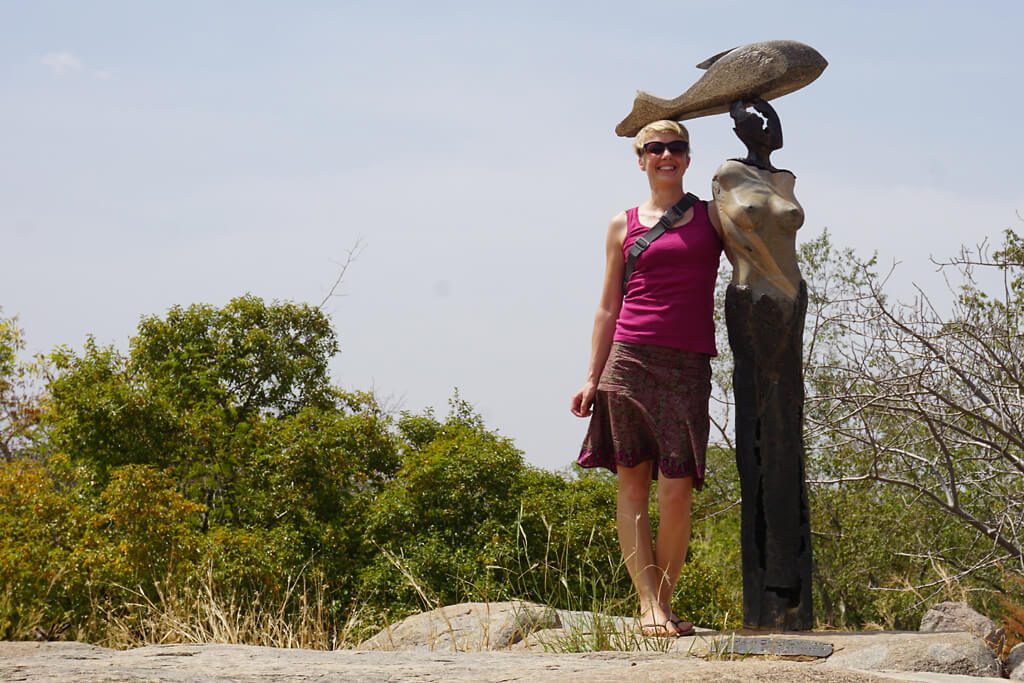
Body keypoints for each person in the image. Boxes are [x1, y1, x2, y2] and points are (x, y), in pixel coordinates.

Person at [570, 120, 723, 637]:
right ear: (640, 159)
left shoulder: (712, 217)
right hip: (630, 359)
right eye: (654, 148)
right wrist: (592, 376)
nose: (666, 155)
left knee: (677, 488)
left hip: (688, 363)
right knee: (633, 484)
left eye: (676, 147)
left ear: (688, 157)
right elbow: (608, 305)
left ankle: (664, 600)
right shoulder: (622, 224)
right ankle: (648, 607)